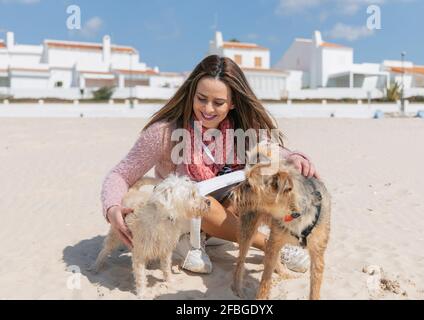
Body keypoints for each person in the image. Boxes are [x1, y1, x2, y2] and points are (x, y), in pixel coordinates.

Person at [101, 55, 320, 274]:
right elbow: (120, 175)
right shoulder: (164, 133)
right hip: (184, 217)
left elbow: (269, 149)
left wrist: (294, 157)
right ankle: (271, 246)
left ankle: (205, 241)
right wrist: (112, 208)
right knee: (202, 201)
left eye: (218, 103)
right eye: (201, 99)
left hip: (225, 215)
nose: (207, 109)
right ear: (191, 95)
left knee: (267, 179)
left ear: (233, 103)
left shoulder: (242, 130)